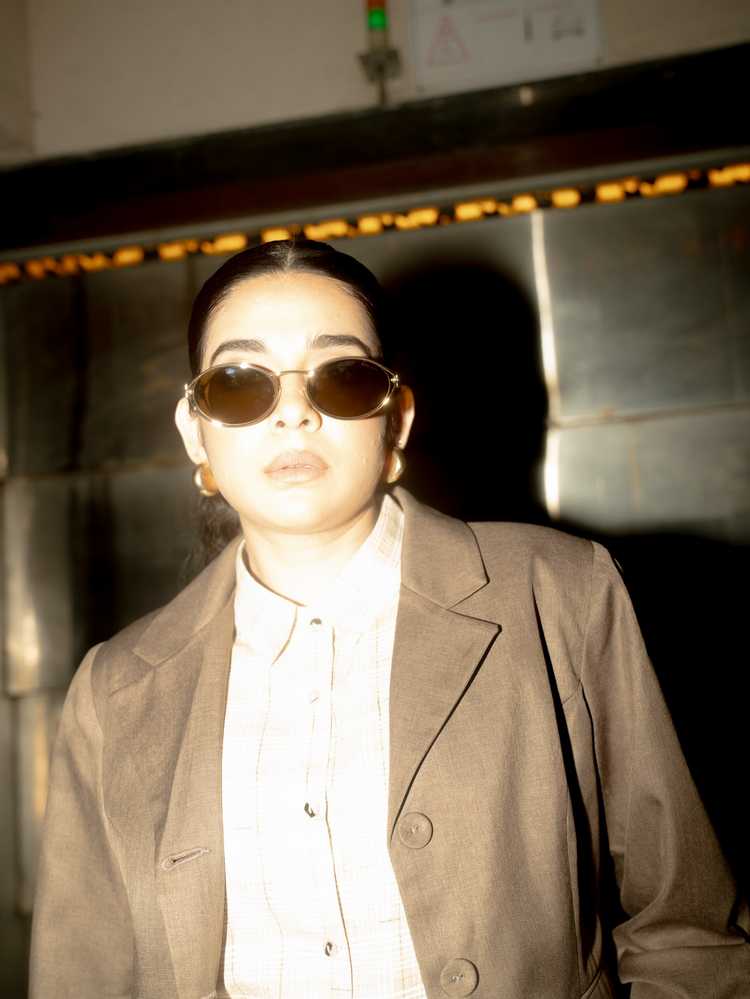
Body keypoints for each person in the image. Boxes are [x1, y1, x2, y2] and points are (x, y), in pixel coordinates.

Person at [30, 239, 749, 999]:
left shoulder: (560, 593)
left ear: (395, 419)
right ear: (194, 429)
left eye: (341, 376)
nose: (294, 413)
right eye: (241, 384)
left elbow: (691, 933)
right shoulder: (115, 690)